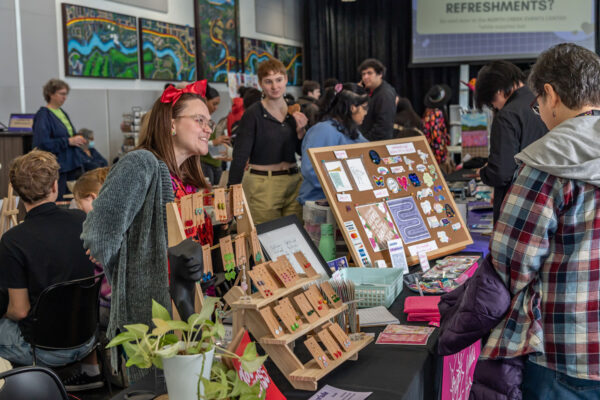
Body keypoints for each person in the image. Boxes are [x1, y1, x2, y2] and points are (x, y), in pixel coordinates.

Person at [480, 43, 600, 399]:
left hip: (565, 349)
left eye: (539, 105)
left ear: (550, 95)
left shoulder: (549, 161)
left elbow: (511, 262)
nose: (540, 115)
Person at [81, 81, 215, 381]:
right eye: (199, 120)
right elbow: (98, 237)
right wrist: (135, 270)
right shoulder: (140, 163)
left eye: (210, 122)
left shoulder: (188, 177)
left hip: (190, 304)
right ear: (170, 124)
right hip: (153, 313)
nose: (209, 129)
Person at [0, 150, 101, 391]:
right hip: (88, 339)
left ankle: (26, 388)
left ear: (18, 191)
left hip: (44, 351)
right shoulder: (81, 220)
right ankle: (90, 371)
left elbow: (20, 310)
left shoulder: (13, 240)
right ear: (55, 186)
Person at [228, 59, 308, 224]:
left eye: (279, 80)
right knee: (267, 239)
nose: (274, 86)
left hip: (294, 182)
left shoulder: (294, 110)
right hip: (263, 185)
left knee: (296, 238)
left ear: (286, 79)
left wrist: (301, 132)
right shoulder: (253, 113)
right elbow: (240, 156)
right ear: (260, 84)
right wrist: (232, 193)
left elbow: (302, 152)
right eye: (268, 82)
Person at [474, 61, 548, 223]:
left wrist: (484, 173)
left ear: (499, 92)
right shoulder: (543, 103)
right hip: (547, 200)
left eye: (491, 102)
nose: (494, 107)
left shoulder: (507, 115)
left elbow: (501, 173)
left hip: (517, 205)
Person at [299, 83, 368, 205]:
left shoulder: (351, 130)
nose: (366, 113)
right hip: (321, 203)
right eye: (364, 108)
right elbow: (311, 170)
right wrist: (346, 187)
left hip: (345, 201)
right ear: (352, 108)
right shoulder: (323, 130)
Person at [33, 79, 86, 200]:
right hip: (58, 169)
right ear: (51, 94)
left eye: (66, 94)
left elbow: (66, 135)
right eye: (62, 94)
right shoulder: (43, 115)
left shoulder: (61, 112)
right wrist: (68, 141)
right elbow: (42, 143)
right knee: (60, 202)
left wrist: (77, 138)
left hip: (71, 166)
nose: (65, 97)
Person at [72, 167, 112, 328]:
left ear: (92, 198)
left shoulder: (99, 229)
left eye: (81, 206)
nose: (82, 212)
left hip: (107, 306)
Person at [357, 58, 397, 141]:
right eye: (363, 74)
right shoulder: (371, 90)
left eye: (369, 73)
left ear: (380, 74)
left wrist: (363, 141)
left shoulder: (385, 94)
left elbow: (383, 127)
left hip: (376, 144)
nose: (365, 77)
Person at [200, 84, 231, 185]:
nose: (216, 108)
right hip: (205, 164)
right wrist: (214, 142)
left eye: (218, 104)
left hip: (216, 164)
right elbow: (197, 143)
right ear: (205, 100)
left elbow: (212, 145)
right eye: (214, 104)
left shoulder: (211, 122)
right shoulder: (199, 121)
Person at [422, 84, 452, 167]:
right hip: (436, 156)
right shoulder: (437, 114)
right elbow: (437, 137)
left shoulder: (427, 113)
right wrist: (443, 157)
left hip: (429, 154)